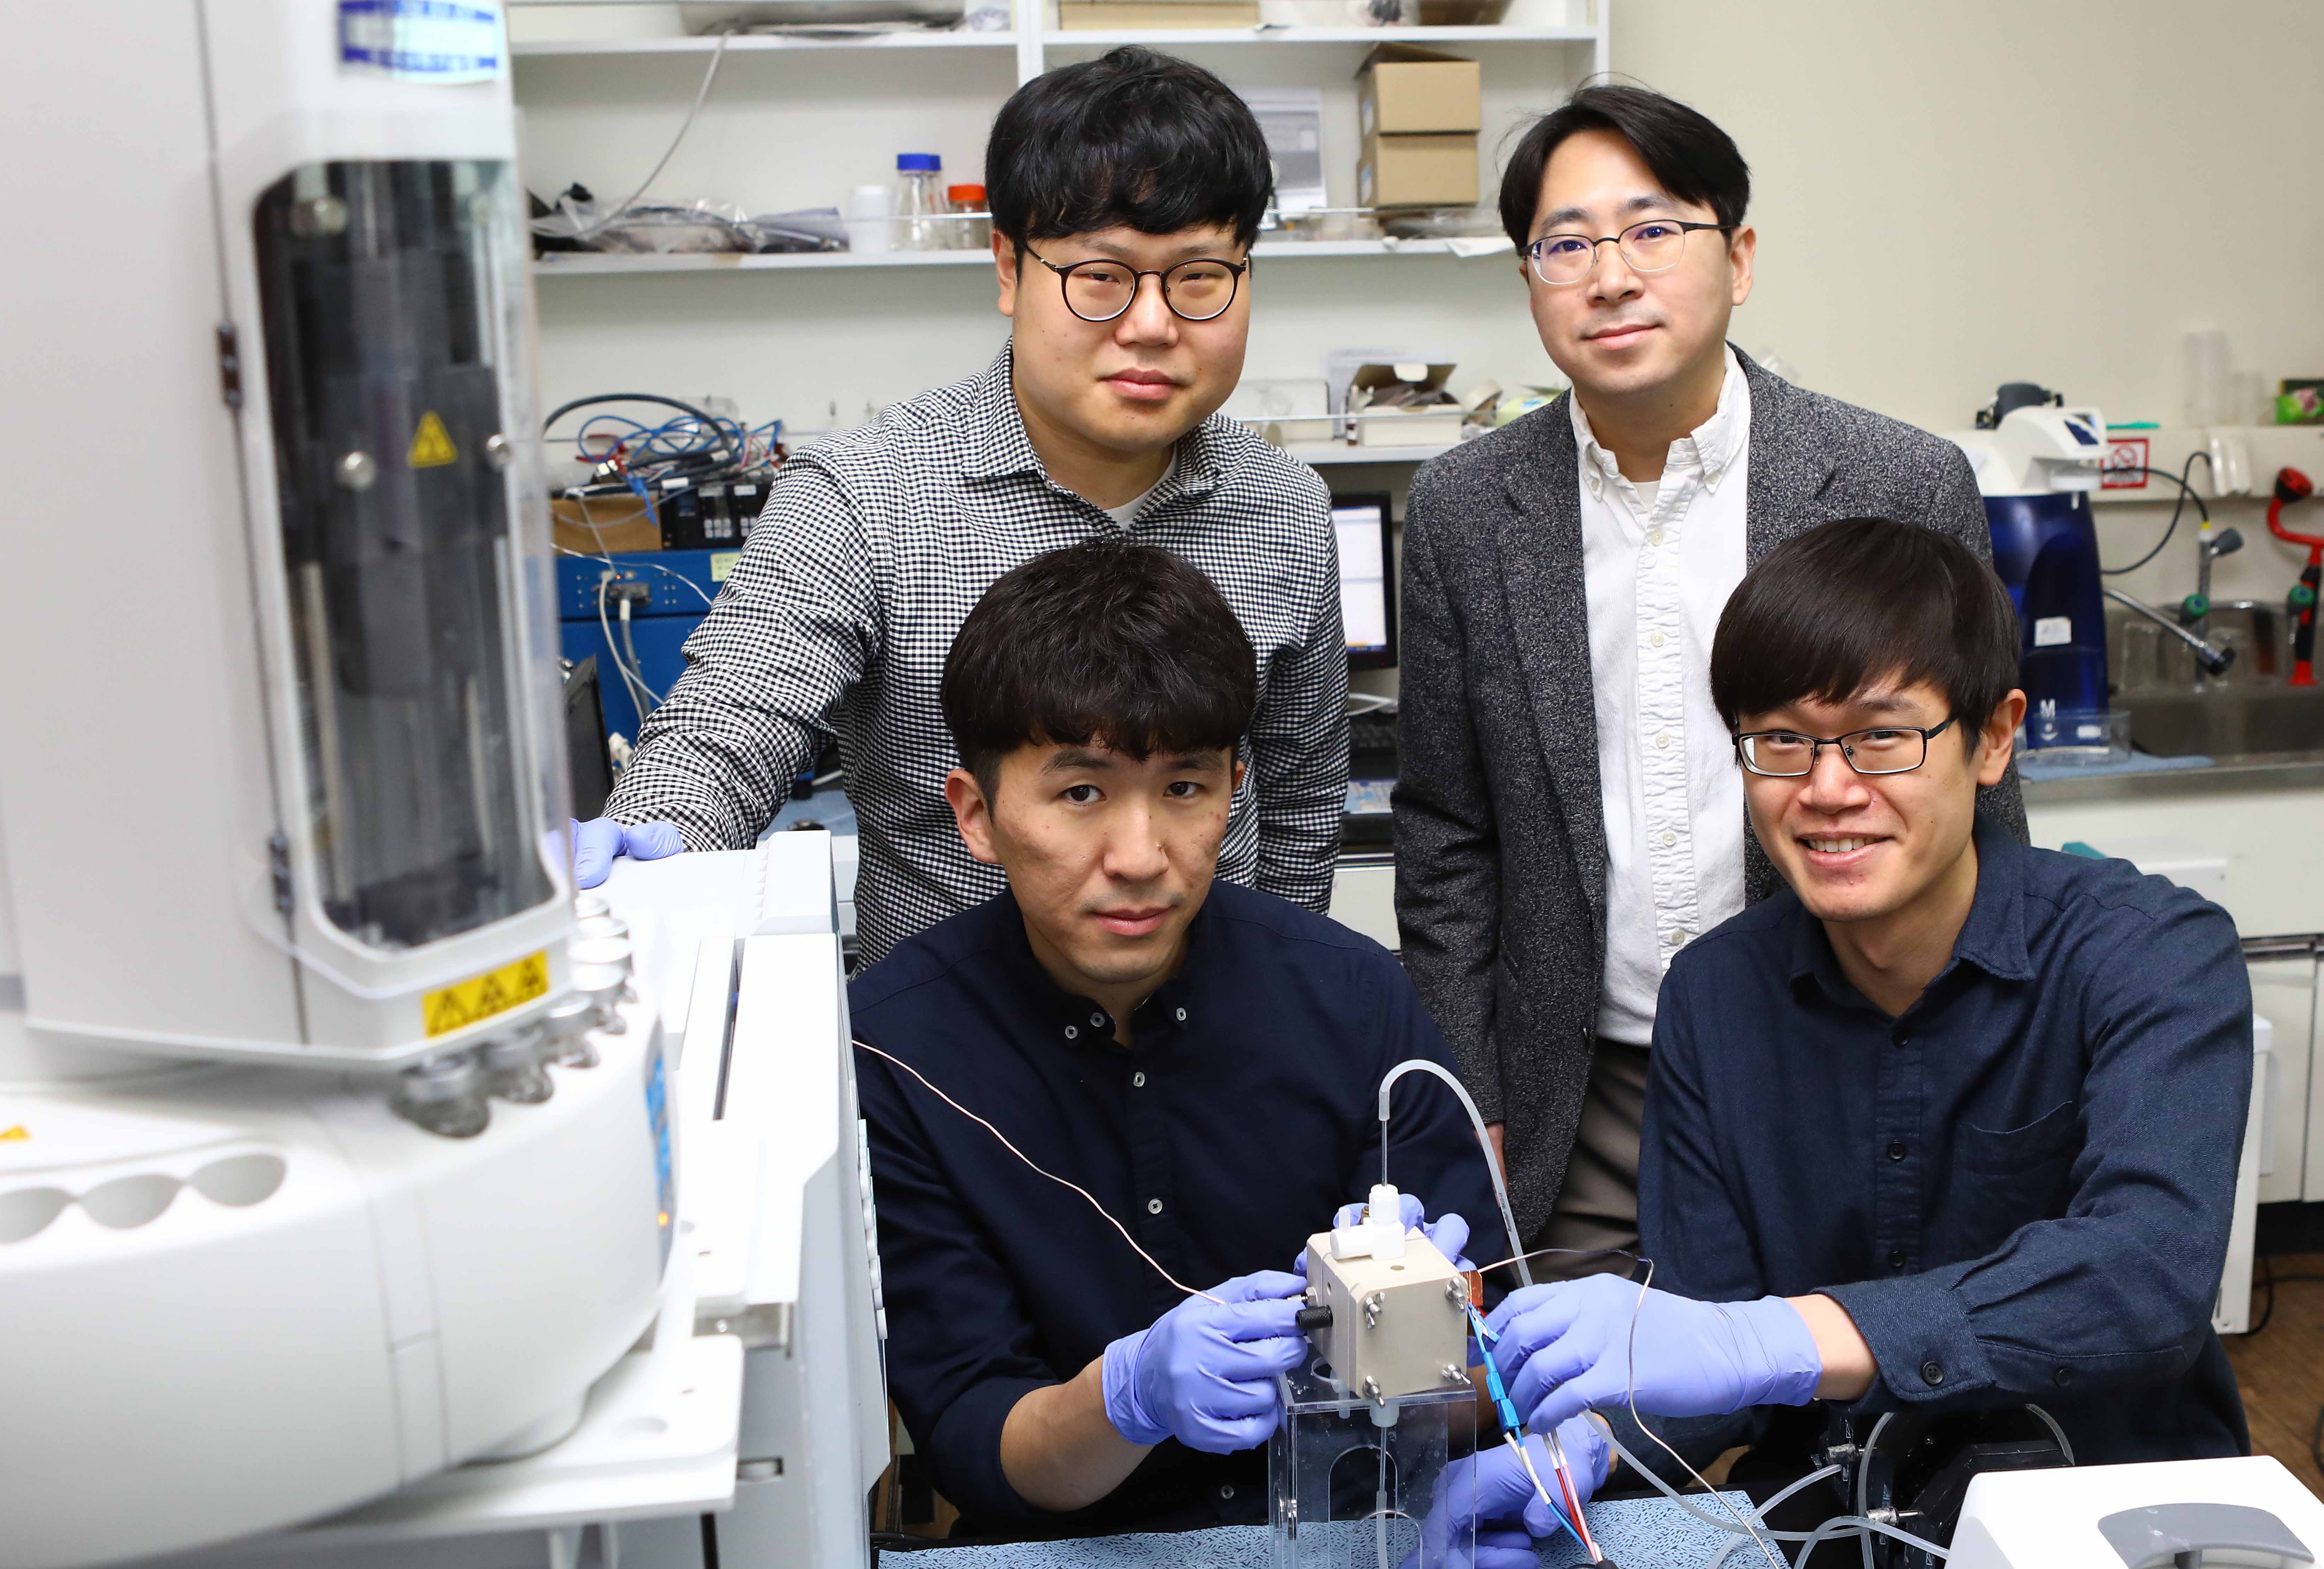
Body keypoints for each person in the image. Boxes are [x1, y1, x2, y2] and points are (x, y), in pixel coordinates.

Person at [1474, 518, 2250, 1519]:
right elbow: (1707, 1360)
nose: (1829, 791)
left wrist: (1781, 1339)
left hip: (2112, 1513)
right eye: (1783, 741)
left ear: (1996, 738)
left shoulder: (2150, 953)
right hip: (1835, 1519)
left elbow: (2145, 1277)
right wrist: (1586, 1446)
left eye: (1883, 736)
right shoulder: (1714, 997)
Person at [1392, 83, 2027, 1258]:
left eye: (1651, 231)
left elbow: (1981, 807)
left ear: (1737, 257)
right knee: (1584, 1419)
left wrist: (1980, 1064)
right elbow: (1446, 838)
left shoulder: (1898, 479)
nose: (1611, 276)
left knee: (1855, 1405)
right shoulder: (1466, 511)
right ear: (1529, 280)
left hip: (1850, 1046)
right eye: (1565, 245)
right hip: (1579, 1091)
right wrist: (1463, 1092)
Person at [575, 48, 1347, 967]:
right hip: (941, 1072)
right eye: (1101, 277)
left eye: (1199, 277)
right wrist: (651, 852)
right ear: (1008, 271)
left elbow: (1300, 802)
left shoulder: (1287, 508)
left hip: (1215, 1051)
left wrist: (1290, 994)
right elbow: (727, 732)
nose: (1152, 324)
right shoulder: (863, 495)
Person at [849, 539, 1551, 1540]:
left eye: (1184, 788)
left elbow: (1484, 1377)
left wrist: (1454, 1351)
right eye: (1081, 792)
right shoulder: (896, 1053)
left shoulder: (1350, 997)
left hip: (1367, 1528)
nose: (1141, 859)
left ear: (1235, 787)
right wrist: (1124, 1397)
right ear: (978, 814)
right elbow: (974, 1440)